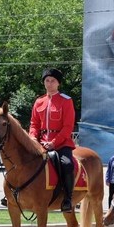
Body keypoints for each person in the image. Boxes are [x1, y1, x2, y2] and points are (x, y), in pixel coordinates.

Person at [30, 68, 76, 213]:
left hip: (61, 144)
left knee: (67, 164)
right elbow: (34, 124)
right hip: (41, 143)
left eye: (52, 81)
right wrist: (32, 138)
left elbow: (68, 127)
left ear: (58, 84)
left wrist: (54, 143)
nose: (49, 84)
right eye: (47, 81)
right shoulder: (39, 102)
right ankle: (15, 194)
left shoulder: (66, 101)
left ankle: (68, 199)